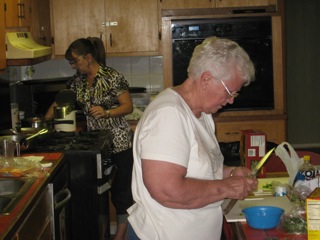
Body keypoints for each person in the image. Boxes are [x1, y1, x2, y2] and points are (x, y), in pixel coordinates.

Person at [127, 36, 258, 240]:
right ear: (206, 79)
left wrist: (230, 173)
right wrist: (225, 188)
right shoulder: (168, 114)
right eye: (229, 91)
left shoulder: (203, 114)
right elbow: (166, 190)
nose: (231, 100)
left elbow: (198, 169)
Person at [45, 37, 134, 240]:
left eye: (75, 61)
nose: (73, 65)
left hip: (119, 143)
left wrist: (107, 112)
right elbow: (60, 101)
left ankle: (120, 235)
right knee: (98, 192)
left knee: (122, 193)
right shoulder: (78, 81)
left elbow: (127, 106)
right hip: (95, 145)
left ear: (88, 57)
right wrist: (44, 122)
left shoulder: (112, 77)